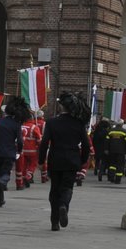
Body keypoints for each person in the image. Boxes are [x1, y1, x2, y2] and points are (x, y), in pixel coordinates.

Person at [39, 91, 91, 231]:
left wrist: (40, 160)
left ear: (61, 107)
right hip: (72, 160)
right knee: (67, 188)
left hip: (55, 159)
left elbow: (44, 143)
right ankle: (63, 206)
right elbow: (86, 145)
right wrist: (82, 160)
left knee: (54, 190)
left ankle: (54, 222)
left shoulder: (51, 122)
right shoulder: (79, 124)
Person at [0, 97, 27, 207]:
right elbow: (20, 141)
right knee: (6, 174)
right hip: (9, 152)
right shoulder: (16, 124)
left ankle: (0, 200)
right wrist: (19, 150)